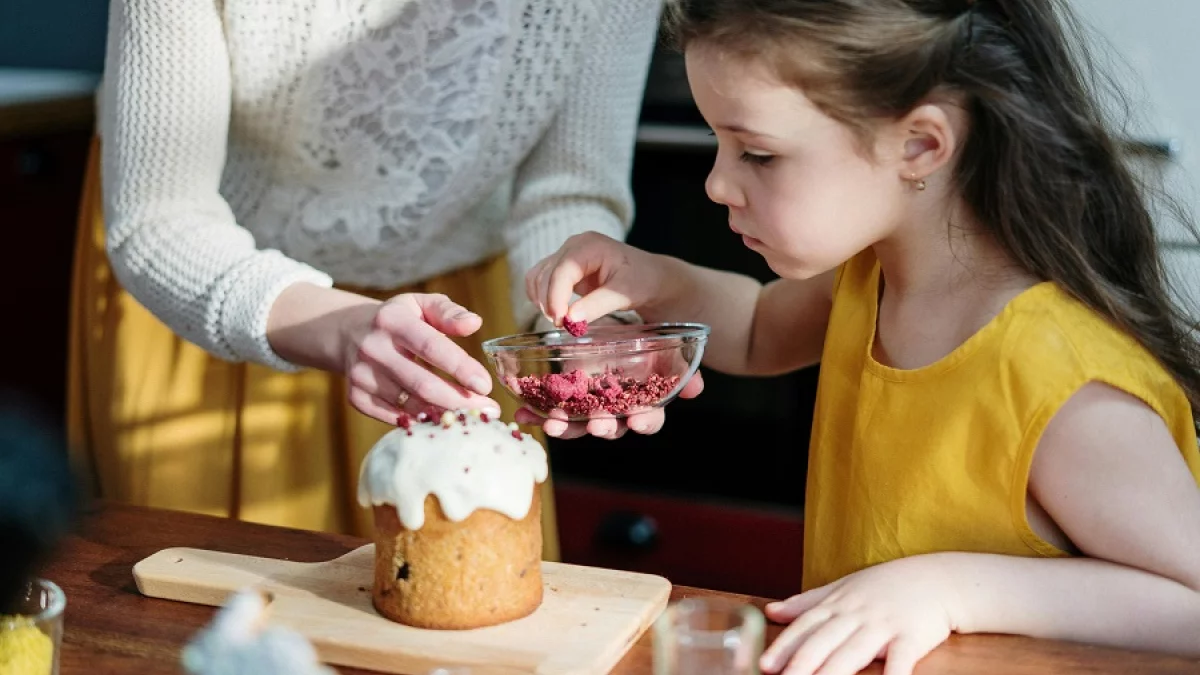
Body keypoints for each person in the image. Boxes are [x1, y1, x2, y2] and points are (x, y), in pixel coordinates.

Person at [522, 0, 1200, 672]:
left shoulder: (1063, 380)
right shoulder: (867, 277)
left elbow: (1190, 604)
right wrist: (651, 277)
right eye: (717, 143)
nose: (718, 183)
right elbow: (757, 329)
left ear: (920, 144)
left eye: (757, 152)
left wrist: (950, 590)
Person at [66, 0, 666, 559]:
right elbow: (159, 218)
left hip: (450, 329)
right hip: (221, 304)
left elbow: (567, 191)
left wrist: (582, 322)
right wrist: (336, 324)